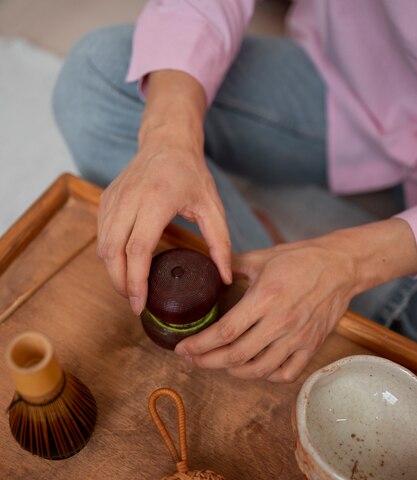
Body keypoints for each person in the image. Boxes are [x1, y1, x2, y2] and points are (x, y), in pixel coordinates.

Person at [53, 0, 417, 383]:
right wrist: (168, 137)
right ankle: (261, 287)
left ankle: (372, 312)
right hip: (370, 81)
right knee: (95, 74)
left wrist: (348, 264)